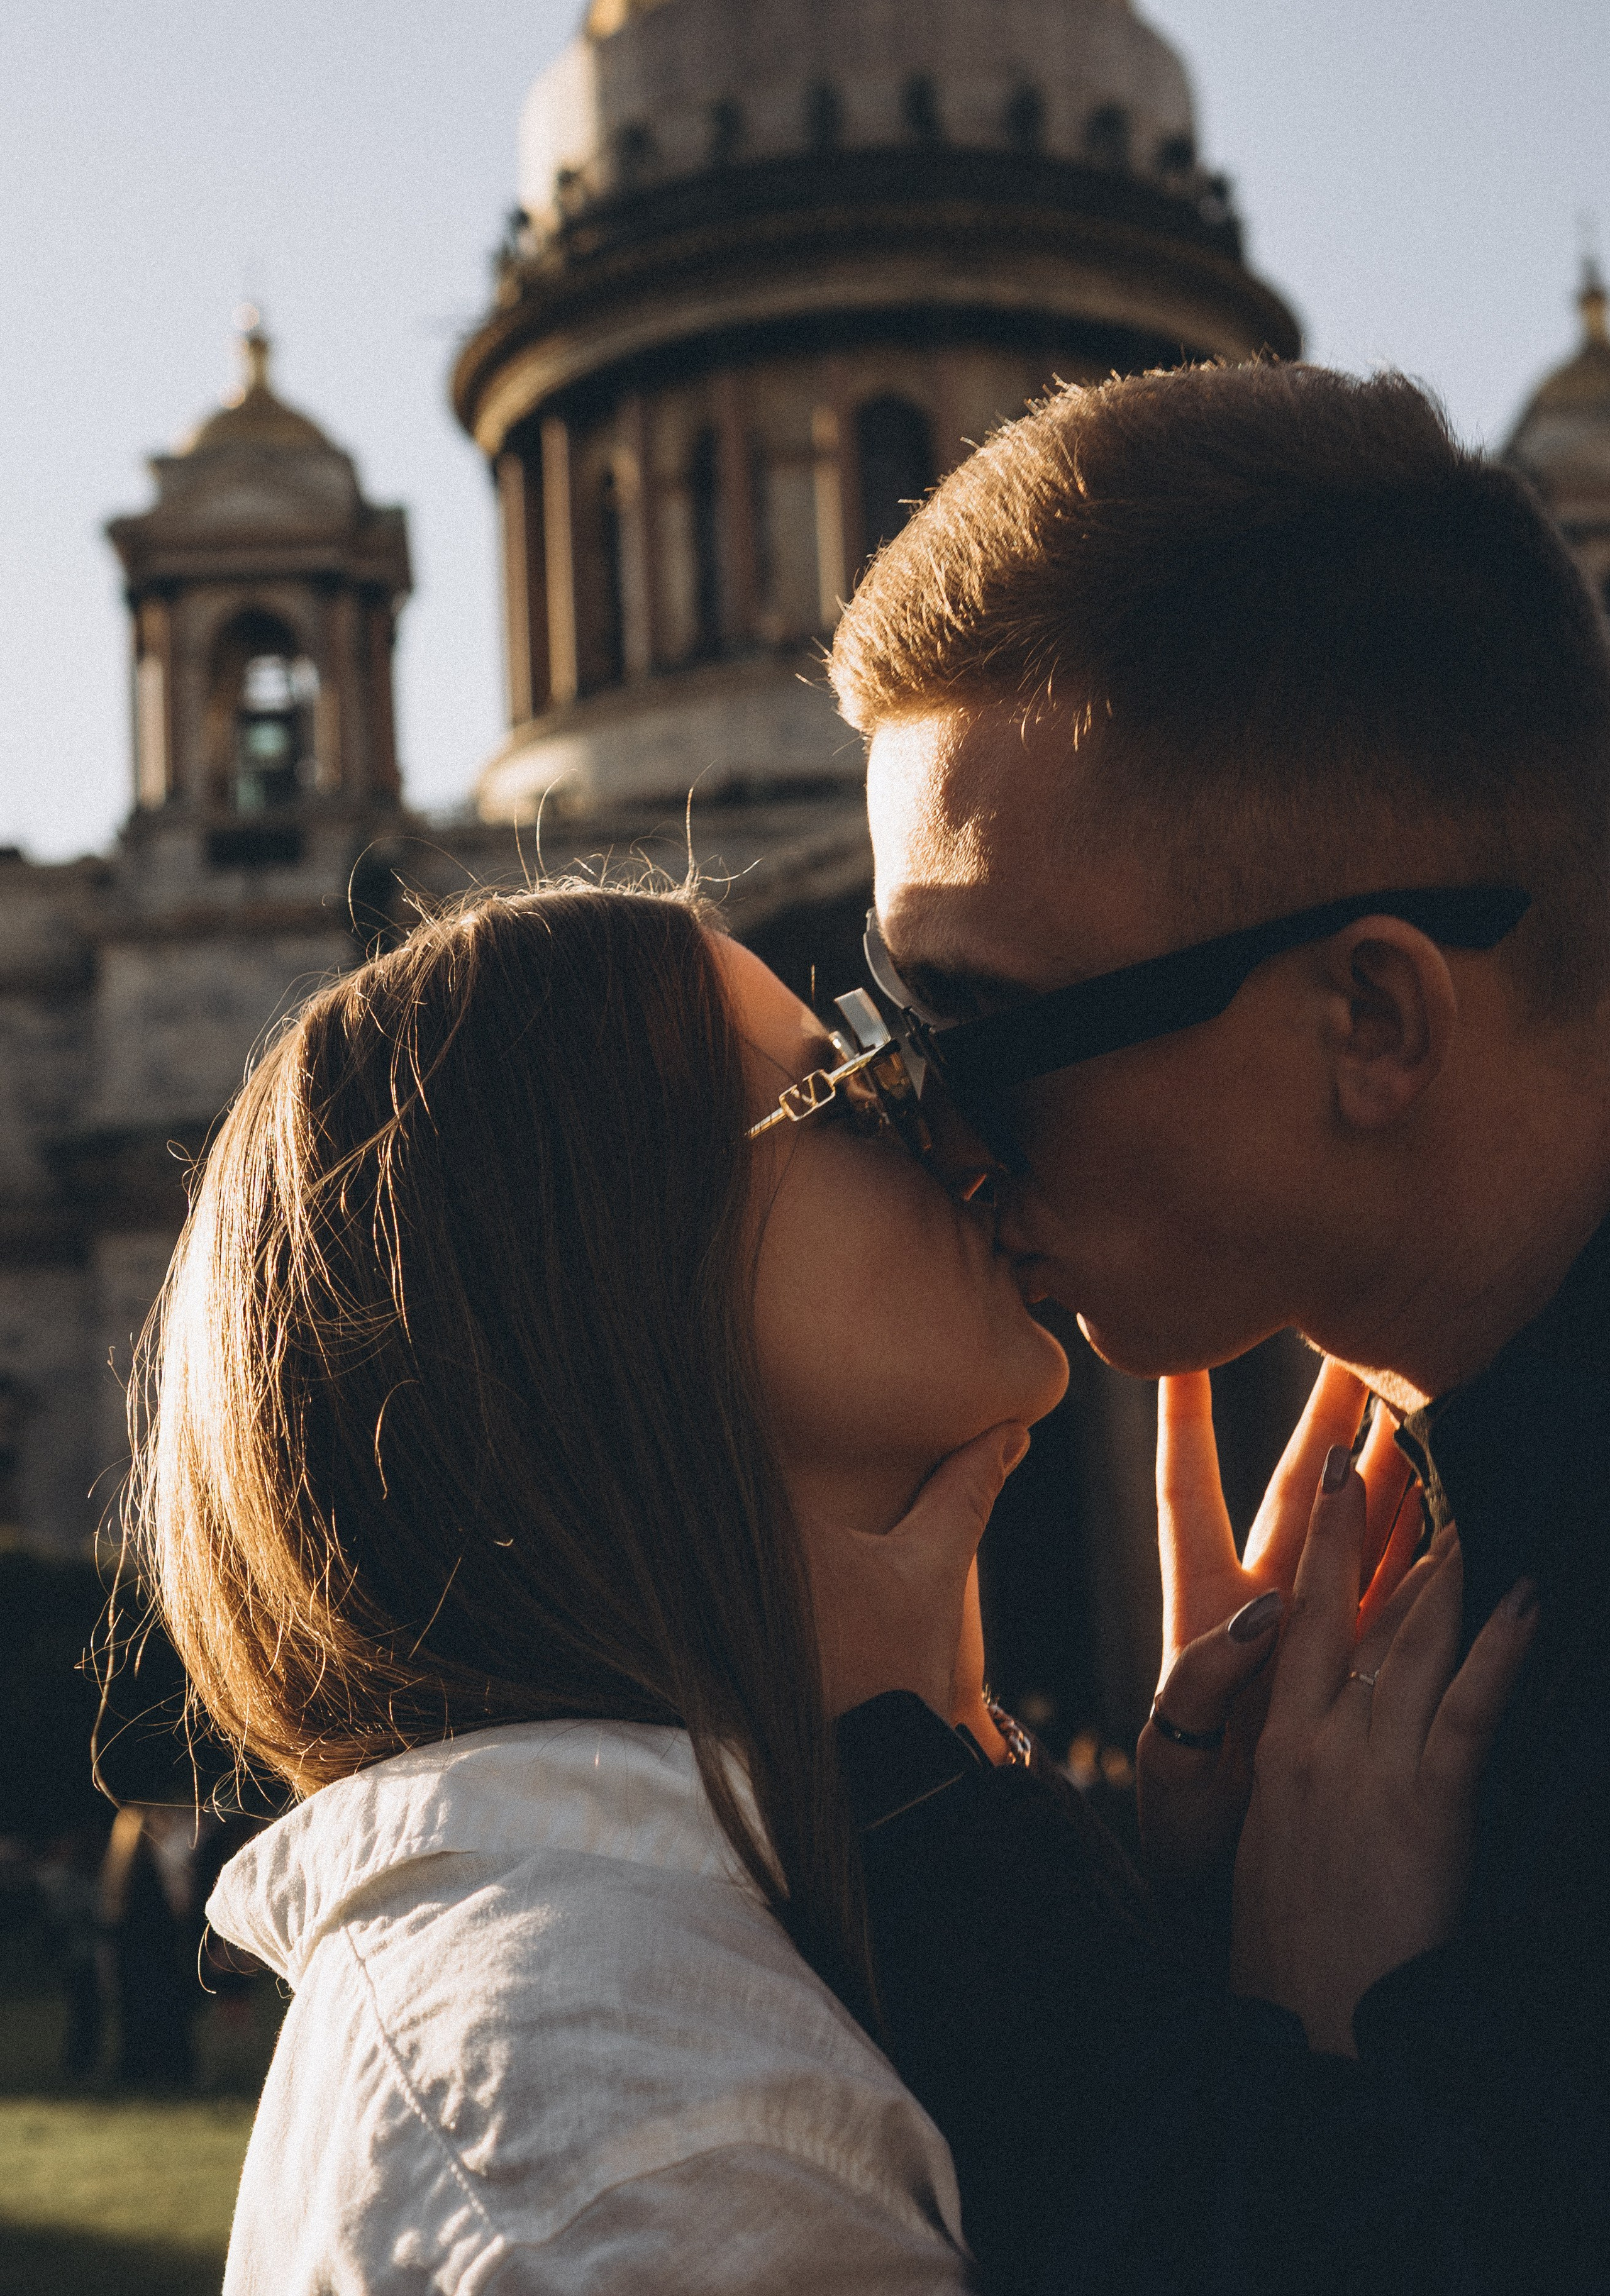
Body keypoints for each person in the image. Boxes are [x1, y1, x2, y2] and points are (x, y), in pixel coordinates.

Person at [126, 884, 1518, 2294]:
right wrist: (1322, 2042)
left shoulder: (720, 1963)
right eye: (851, 1093)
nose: (965, 1142)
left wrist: (1178, 1944)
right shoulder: (635, 2140)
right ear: (599, 1274)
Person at [826, 359, 1610, 2290]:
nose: (927, 1135)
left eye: (975, 1035)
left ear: (1372, 1021)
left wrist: (1328, 2064)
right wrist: (1200, 1928)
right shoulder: (1435, 1538)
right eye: (881, 1027)